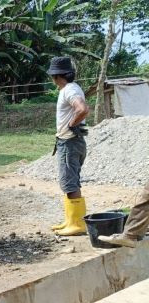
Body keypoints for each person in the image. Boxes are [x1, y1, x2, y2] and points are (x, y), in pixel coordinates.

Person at [47, 57, 90, 236]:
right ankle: (70, 220)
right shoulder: (71, 88)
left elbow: (83, 109)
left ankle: (77, 224)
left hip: (70, 142)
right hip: (71, 142)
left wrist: (72, 125)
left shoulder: (69, 90)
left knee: (69, 182)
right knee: (70, 180)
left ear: (57, 76)